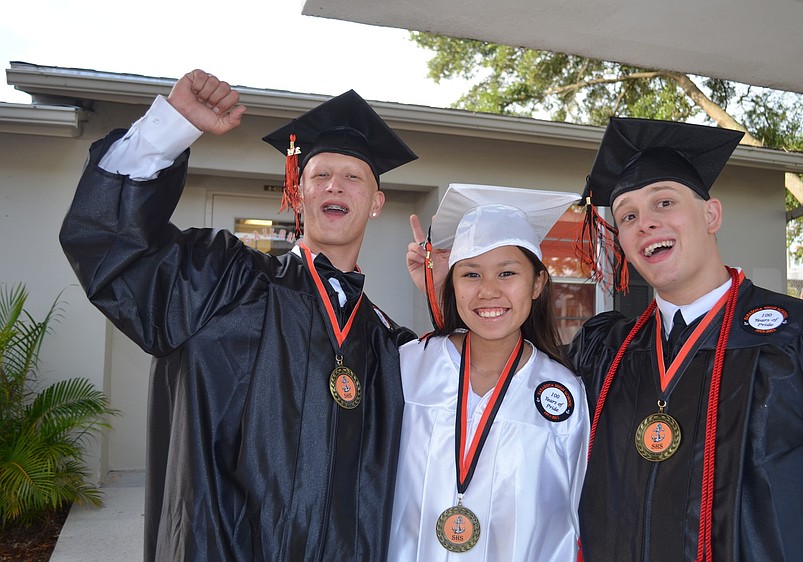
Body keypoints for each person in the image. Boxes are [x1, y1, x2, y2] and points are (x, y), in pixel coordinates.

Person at [59, 70, 419, 562]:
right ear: (298, 193)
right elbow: (114, 248)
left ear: (375, 203)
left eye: (353, 176)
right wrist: (171, 127)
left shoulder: (388, 341)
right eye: (320, 175)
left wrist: (445, 294)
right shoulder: (226, 280)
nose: (336, 184)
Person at [564, 117, 803, 561]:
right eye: (628, 216)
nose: (646, 224)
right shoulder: (605, 352)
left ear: (711, 214)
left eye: (664, 202)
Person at [392, 184, 589, 561]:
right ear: (451, 283)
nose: (488, 292)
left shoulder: (562, 393)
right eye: (470, 275)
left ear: (537, 284)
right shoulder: (410, 366)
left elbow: (573, 519)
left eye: (507, 273)